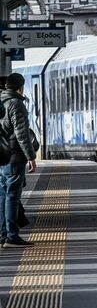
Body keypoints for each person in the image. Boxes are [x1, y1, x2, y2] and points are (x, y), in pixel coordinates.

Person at [1, 73, 39, 248]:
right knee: (12, 196)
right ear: (21, 87)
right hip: (14, 158)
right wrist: (31, 157)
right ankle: (12, 235)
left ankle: (3, 234)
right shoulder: (16, 104)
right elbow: (22, 134)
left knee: (2, 195)